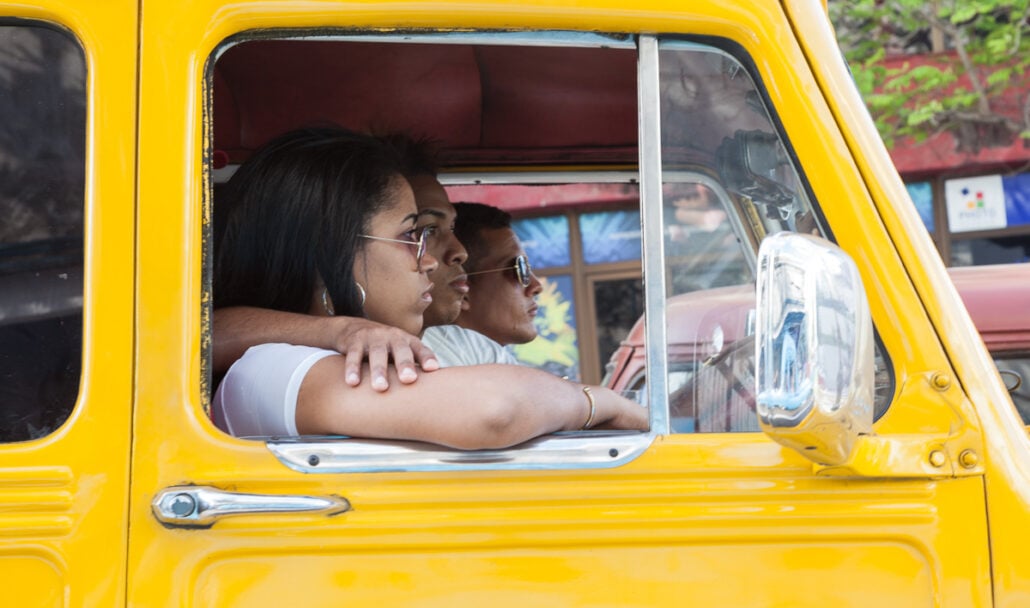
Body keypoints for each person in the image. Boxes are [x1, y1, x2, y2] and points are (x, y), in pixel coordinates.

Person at [212, 126, 647, 449]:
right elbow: (493, 408)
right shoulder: (268, 371)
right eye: (411, 236)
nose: (432, 260)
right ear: (330, 255)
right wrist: (602, 403)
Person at [453, 202, 543, 346]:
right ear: (463, 293)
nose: (536, 286)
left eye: (527, 268)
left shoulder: (489, 362)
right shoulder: (434, 362)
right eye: (519, 268)